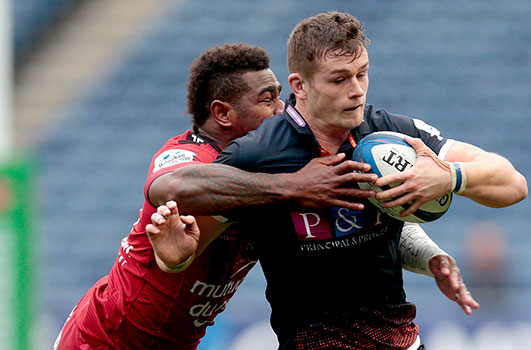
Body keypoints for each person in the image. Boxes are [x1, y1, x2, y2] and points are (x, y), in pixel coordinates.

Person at [54, 42, 473, 350]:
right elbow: (172, 187)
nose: (281, 110)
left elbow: (358, 215)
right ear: (222, 113)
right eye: (267, 99)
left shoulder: (279, 161)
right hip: (105, 338)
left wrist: (431, 254)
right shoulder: (189, 155)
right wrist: (292, 187)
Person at [211, 11, 527, 349]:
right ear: (299, 85)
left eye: (362, 74)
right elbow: (193, 219)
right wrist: (178, 256)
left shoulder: (391, 136)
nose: (357, 90)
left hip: (400, 342)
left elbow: (513, 184)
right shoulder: (258, 153)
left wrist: (451, 177)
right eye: (339, 79)